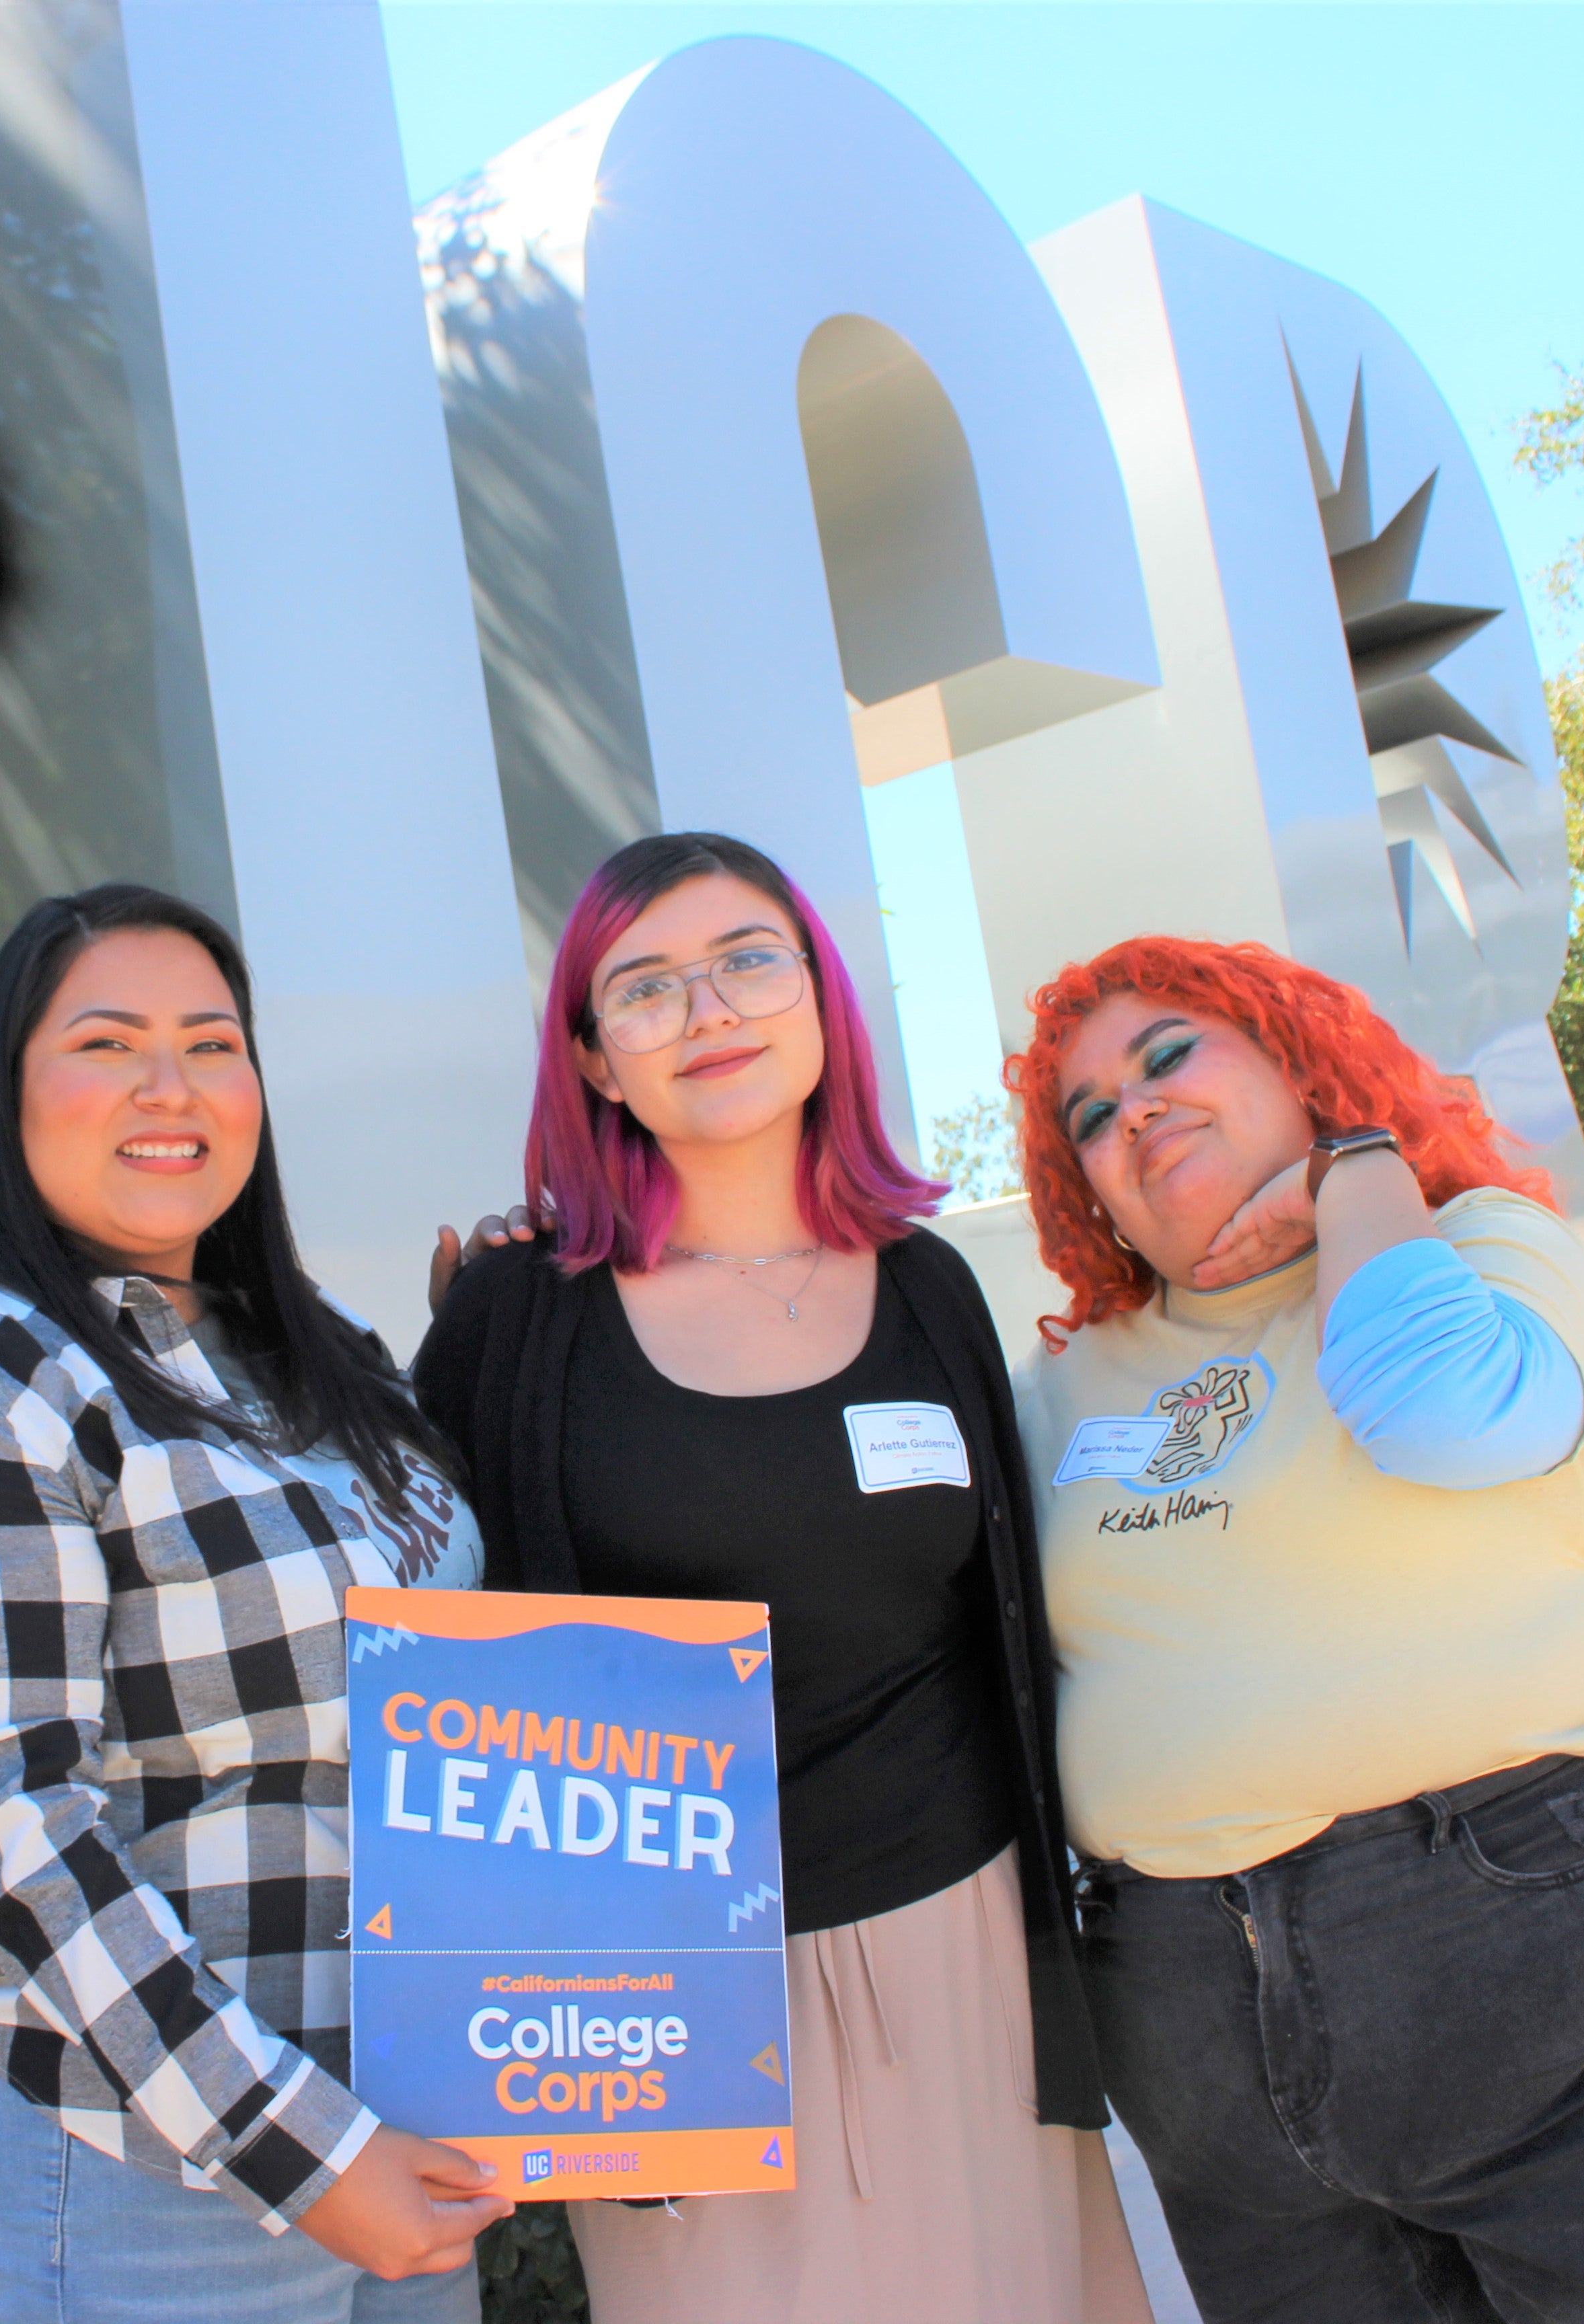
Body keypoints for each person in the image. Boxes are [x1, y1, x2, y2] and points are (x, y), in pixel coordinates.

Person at [1008, 935, 1584, 2324]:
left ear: (1300, 1060)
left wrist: (1361, 1167)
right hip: (1192, 2019)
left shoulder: (1476, 1244)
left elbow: (1440, 1409)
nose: (1135, 1112)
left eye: (1170, 1059)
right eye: (1091, 1117)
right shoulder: (1065, 1382)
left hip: (1521, 1950)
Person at [414, 832, 1151, 2324]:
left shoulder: (931, 1286)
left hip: (966, 1946)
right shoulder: (516, 1318)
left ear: (820, 1002)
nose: (709, 1010)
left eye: (751, 959)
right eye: (647, 986)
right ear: (597, 1063)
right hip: (666, 2012)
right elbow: (447, 1667)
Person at [0, 886, 511, 2324]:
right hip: (139, 2164)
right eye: (107, 1043)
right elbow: (17, 1833)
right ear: (2, 1097)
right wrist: (307, 2153)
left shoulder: (310, 1349)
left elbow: (422, 1653)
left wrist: (510, 1327)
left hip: (402, 2111)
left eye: (212, 1042)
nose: (169, 1086)